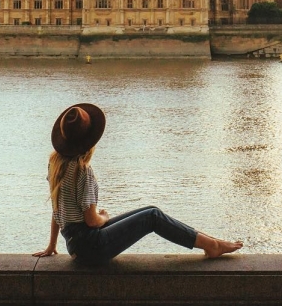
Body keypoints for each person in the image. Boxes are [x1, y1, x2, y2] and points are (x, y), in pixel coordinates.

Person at [33, 103, 243, 264]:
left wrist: (52, 244)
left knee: (152, 210)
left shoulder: (55, 164)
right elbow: (91, 221)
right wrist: (103, 217)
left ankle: (211, 243)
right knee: (152, 217)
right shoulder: (82, 170)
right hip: (91, 247)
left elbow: (57, 210)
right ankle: (213, 246)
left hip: (75, 245)